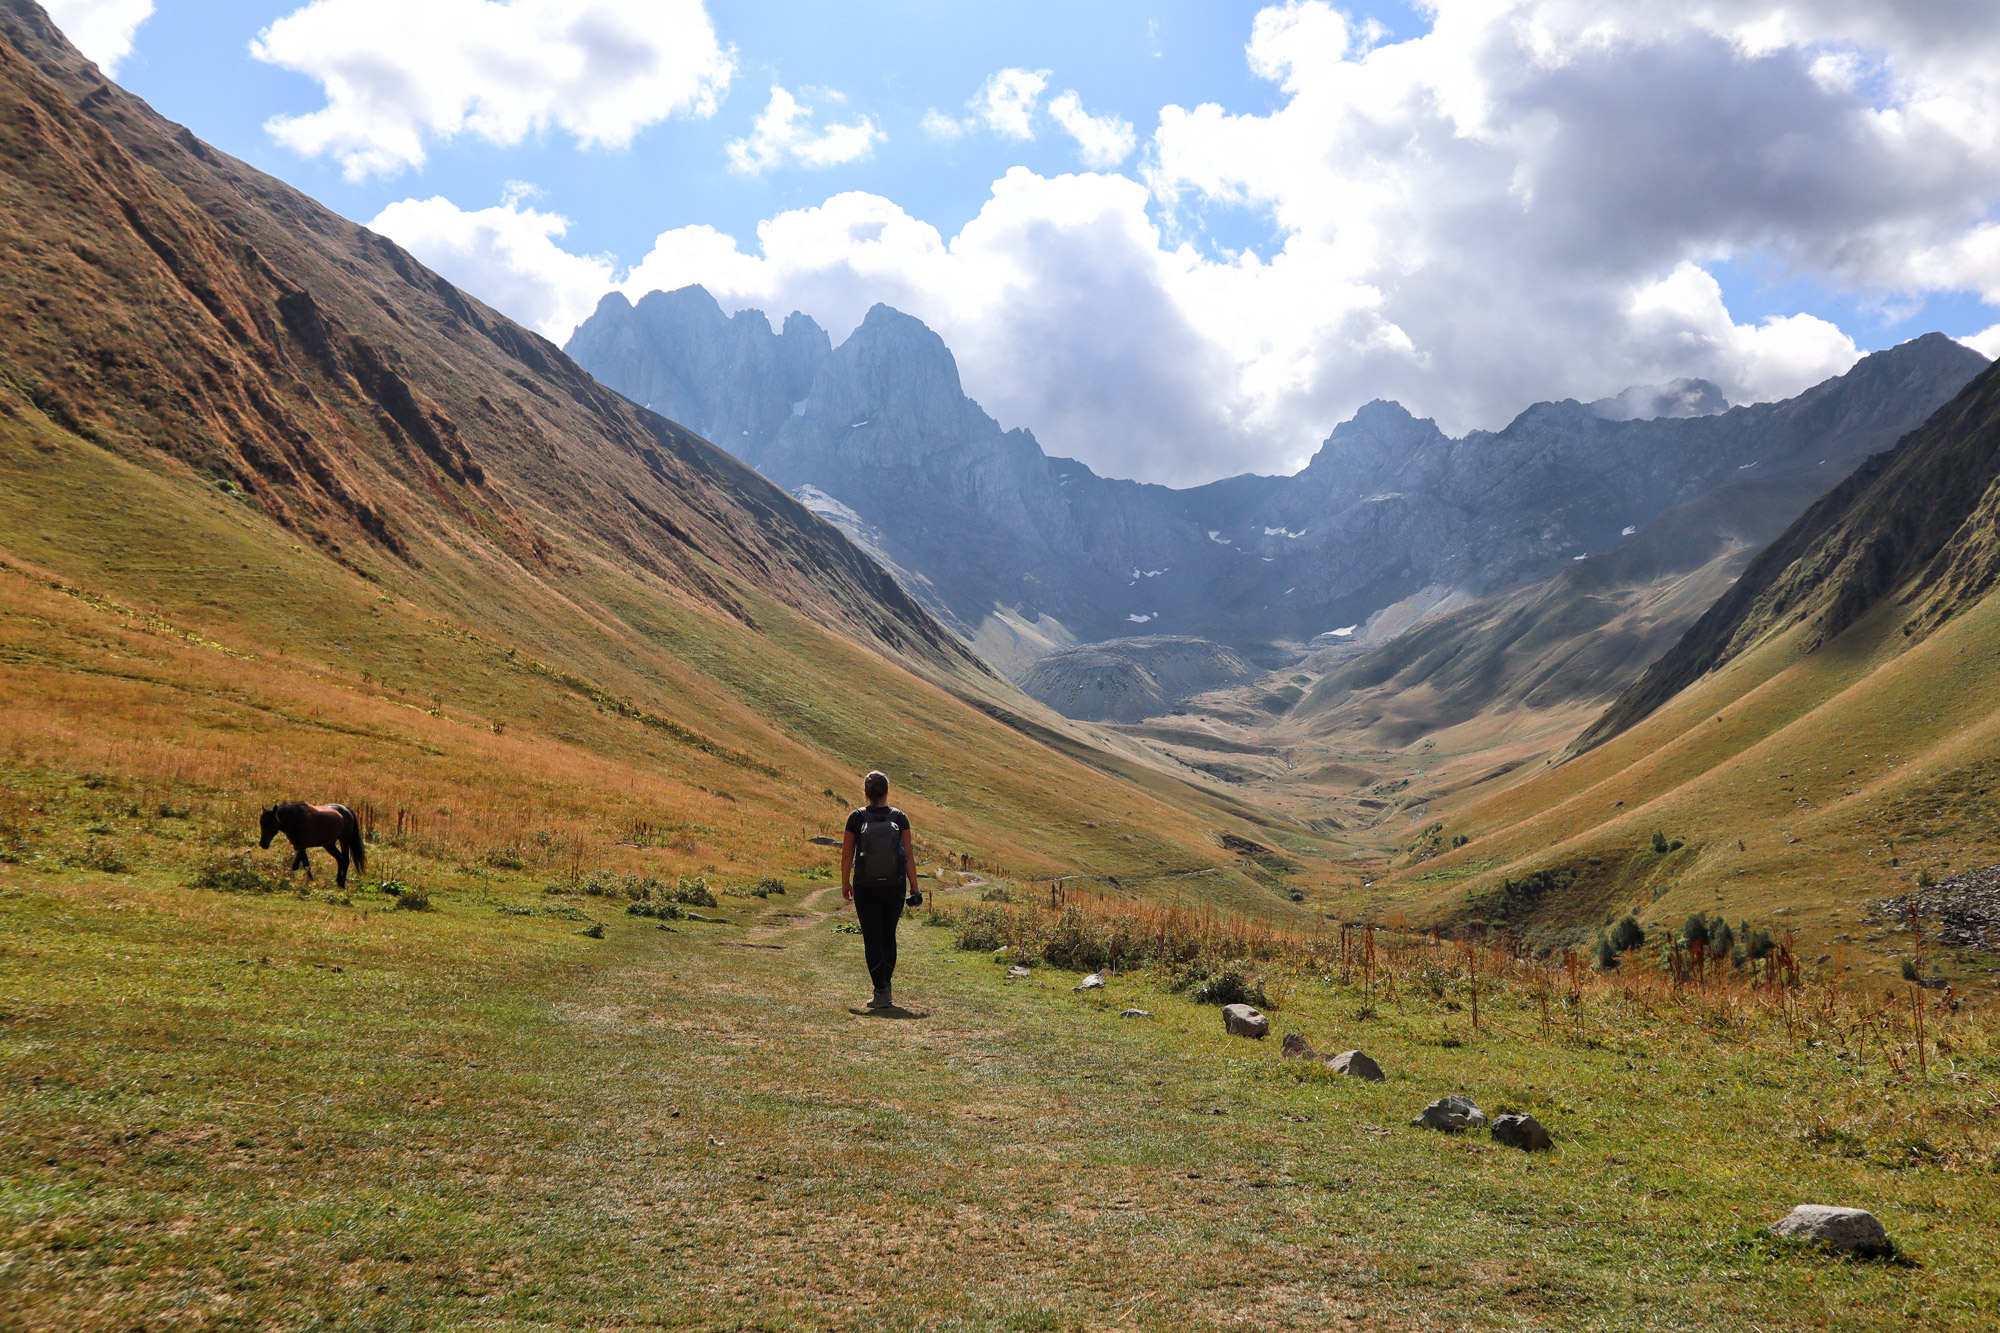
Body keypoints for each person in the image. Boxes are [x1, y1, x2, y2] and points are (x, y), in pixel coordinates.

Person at [842, 770, 917, 1009]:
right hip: (895, 885)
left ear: (865, 791)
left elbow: (846, 854)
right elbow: (908, 855)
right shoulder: (900, 818)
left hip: (866, 886)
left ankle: (880, 990)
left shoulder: (856, 818)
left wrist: (845, 882)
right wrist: (914, 886)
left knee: (872, 938)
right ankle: (887, 987)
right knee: (888, 935)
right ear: (886, 791)